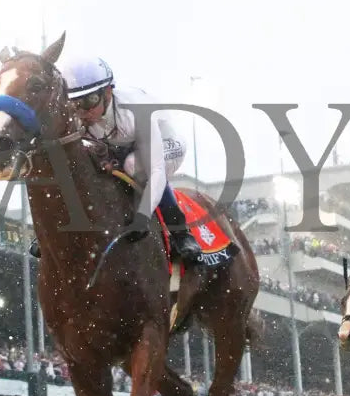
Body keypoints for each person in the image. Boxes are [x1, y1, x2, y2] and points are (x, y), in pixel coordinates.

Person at [31, 55, 236, 267]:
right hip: (121, 146)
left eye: (89, 101)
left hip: (165, 144)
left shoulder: (135, 111)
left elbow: (156, 170)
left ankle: (181, 233)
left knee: (133, 165)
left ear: (108, 92)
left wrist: (142, 216)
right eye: (75, 104)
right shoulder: (81, 114)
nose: (83, 113)